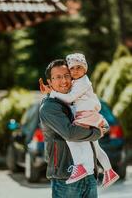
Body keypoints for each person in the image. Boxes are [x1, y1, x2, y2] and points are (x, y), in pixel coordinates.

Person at [45, 53, 119, 188]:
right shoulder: (76, 82)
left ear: (85, 69)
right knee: (96, 148)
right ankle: (109, 171)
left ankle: (79, 166)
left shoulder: (83, 82)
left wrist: (53, 93)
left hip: (86, 116)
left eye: (79, 67)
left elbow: (69, 98)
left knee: (69, 137)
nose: (75, 71)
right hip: (88, 115)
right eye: (72, 68)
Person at [39, 59, 106, 198]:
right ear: (49, 82)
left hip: (90, 174)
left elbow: (101, 122)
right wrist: (97, 132)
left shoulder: (77, 101)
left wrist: (101, 126)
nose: (63, 80)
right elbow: (70, 133)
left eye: (66, 75)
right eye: (57, 77)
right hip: (66, 177)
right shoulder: (49, 107)